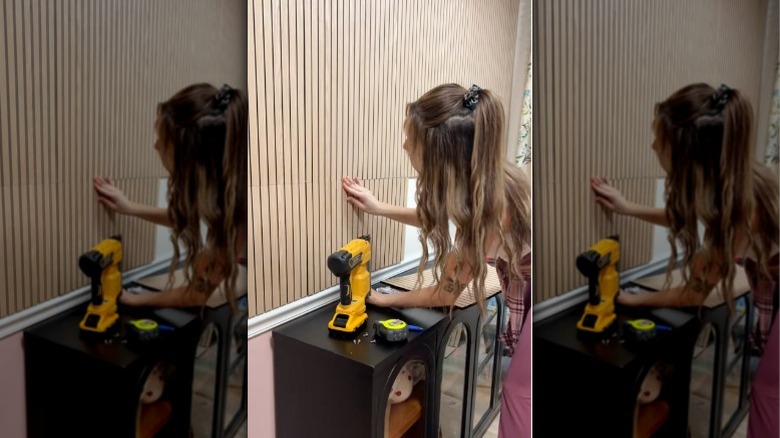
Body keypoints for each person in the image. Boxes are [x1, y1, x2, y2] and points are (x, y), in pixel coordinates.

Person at [342, 83, 532, 437]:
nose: (403, 146)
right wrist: (378, 207)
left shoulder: (492, 212)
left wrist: (388, 298)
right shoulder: (483, 178)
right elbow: (442, 213)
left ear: (439, 154)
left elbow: (447, 294)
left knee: (520, 395)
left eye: (409, 139)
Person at [591, 83, 778, 437]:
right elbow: (691, 215)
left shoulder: (740, 212)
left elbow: (694, 294)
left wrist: (636, 298)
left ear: (687, 156)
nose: (651, 145)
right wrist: (628, 207)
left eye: (658, 140)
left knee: (770, 395)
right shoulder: (731, 181)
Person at [93, 83, 248, 312]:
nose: (156, 146)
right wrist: (129, 207)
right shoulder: (227, 186)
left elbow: (197, 295)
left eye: (163, 141)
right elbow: (186, 216)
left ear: (191, 157)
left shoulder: (238, 214)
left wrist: (134, 299)